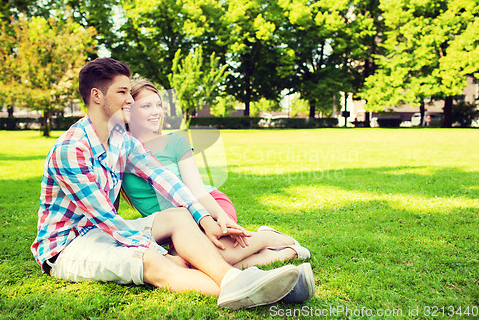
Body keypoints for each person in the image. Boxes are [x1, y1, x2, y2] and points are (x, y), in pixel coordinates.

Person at [31, 58, 310, 310]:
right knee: (154, 262)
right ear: (96, 96)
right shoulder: (72, 149)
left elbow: (164, 178)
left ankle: (242, 280)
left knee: (178, 217)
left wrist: (203, 218)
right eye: (122, 92)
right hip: (68, 246)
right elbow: (106, 218)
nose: (130, 99)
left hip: (101, 230)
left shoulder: (122, 141)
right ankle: (267, 289)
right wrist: (159, 251)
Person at [122, 79, 313, 271]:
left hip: (210, 205)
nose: (156, 111)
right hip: (175, 226)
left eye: (158, 105)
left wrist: (219, 215)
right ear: (128, 109)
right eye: (146, 106)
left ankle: (270, 238)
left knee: (220, 255)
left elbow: (196, 190)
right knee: (191, 265)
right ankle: (273, 255)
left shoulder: (175, 142)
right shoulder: (119, 151)